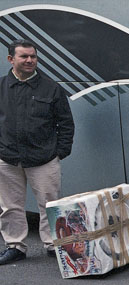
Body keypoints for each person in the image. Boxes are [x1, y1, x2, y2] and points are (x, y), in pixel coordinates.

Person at [0, 39, 74, 264]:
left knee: (49, 205)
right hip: (8, 158)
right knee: (10, 207)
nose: (30, 60)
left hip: (43, 159)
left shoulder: (51, 88)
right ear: (11, 59)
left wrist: (59, 152)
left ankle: (53, 245)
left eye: (33, 56)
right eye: (24, 56)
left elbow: (66, 123)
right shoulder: (2, 87)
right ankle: (15, 246)